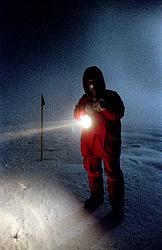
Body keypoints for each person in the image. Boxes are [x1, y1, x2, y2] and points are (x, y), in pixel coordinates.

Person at [74, 66, 125, 219]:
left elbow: (118, 113)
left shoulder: (112, 96)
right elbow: (76, 114)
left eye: (94, 82)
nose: (92, 86)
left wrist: (104, 107)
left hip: (108, 144)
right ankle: (96, 198)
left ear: (101, 81)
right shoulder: (84, 100)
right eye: (89, 83)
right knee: (93, 172)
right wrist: (86, 108)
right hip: (90, 144)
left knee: (113, 174)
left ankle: (116, 206)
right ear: (85, 84)